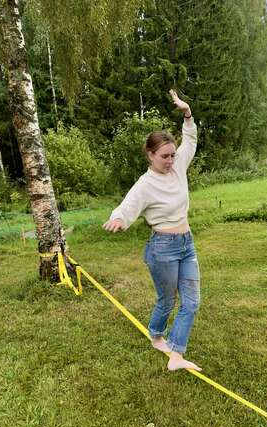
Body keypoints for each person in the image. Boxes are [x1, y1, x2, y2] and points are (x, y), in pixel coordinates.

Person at [102, 89, 201, 372]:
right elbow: (128, 205)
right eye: (164, 157)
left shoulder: (178, 166)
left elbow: (190, 140)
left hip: (186, 243)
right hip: (163, 248)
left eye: (172, 155)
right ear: (150, 155)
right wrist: (119, 218)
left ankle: (177, 354)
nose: (170, 161)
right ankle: (156, 335)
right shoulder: (145, 184)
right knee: (167, 300)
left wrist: (187, 112)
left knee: (191, 302)